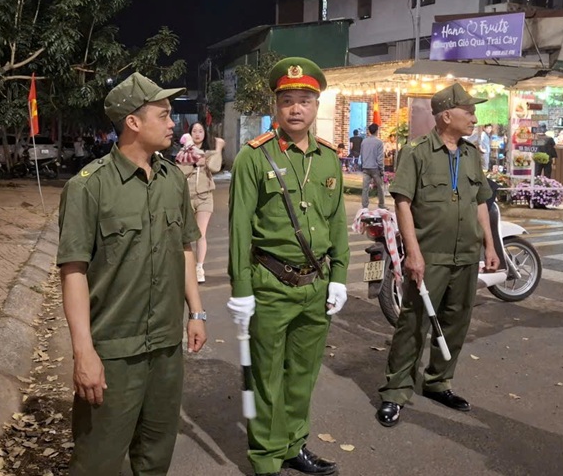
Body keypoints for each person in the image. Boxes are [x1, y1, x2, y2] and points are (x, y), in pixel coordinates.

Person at [56, 72, 207, 476]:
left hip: (165, 347)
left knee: (155, 456)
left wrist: (196, 312)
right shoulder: (88, 187)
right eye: (164, 115)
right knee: (97, 462)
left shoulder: (173, 180)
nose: (173, 123)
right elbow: (73, 271)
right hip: (113, 351)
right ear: (133, 122)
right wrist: (83, 352)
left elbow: (185, 247)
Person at [227, 57, 350, 476]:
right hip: (270, 283)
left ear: (316, 105)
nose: (296, 109)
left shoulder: (329, 157)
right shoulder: (253, 158)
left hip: (316, 286)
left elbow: (336, 222)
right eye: (287, 101)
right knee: (265, 376)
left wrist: (339, 277)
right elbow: (240, 227)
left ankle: (294, 444)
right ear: (275, 106)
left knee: (303, 374)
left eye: (305, 100)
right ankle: (265, 458)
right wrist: (241, 289)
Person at [376, 83, 500, 428]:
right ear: (446, 116)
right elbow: (403, 203)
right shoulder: (416, 152)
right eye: (468, 111)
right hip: (430, 254)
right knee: (413, 323)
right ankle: (395, 391)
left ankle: (438, 382)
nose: (474, 118)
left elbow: (480, 202)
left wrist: (490, 246)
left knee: (457, 320)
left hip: (466, 254)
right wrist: (413, 253)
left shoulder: (471, 154)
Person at [176, 121, 225, 283]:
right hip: (187, 197)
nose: (197, 134)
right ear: (190, 134)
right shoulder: (183, 153)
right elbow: (180, 172)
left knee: (201, 234)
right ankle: (186, 267)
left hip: (205, 197)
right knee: (186, 235)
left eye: (200, 131)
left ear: (205, 134)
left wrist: (218, 148)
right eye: (194, 131)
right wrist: (194, 161)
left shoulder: (209, 153)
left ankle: (199, 267)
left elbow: (215, 167)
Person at [360, 123, 386, 210]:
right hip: (375, 168)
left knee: (365, 188)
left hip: (365, 167)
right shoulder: (379, 142)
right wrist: (382, 170)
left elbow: (362, 155)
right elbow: (380, 158)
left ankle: (364, 206)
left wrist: (363, 164)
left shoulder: (364, 141)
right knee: (380, 187)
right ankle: (381, 204)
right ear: (377, 131)